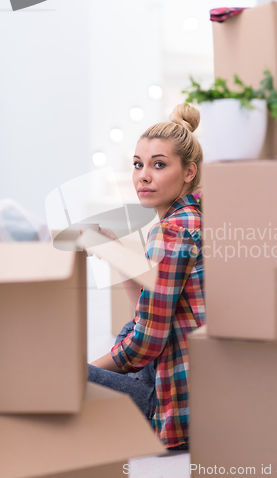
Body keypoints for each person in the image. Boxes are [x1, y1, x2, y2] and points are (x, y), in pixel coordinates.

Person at [88, 102, 205, 451]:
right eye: (138, 164)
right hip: (185, 383)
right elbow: (145, 313)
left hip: (171, 407)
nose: (143, 175)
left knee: (54, 376)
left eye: (159, 165)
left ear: (188, 172)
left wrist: (84, 375)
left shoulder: (173, 231)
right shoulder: (192, 218)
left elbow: (145, 345)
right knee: (128, 329)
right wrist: (116, 254)